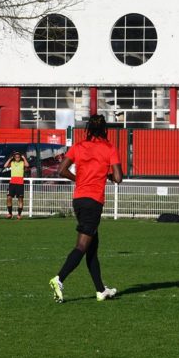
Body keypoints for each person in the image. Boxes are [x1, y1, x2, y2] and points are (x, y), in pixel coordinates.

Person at [49, 115, 122, 303]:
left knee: (92, 247)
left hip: (79, 200)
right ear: (105, 129)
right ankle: (59, 279)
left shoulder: (78, 146)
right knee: (82, 246)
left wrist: (79, 179)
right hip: (93, 201)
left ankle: (100, 290)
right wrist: (107, 175)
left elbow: (61, 170)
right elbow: (118, 177)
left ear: (88, 128)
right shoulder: (109, 148)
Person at [3, 150, 29, 220]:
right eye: (16, 157)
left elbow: (27, 165)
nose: (17, 158)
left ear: (20, 157)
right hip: (12, 183)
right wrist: (10, 159)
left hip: (20, 183)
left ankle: (19, 214)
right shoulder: (12, 163)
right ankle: (10, 213)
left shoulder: (22, 163)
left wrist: (24, 158)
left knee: (20, 199)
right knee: (9, 198)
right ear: (14, 157)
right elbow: (5, 166)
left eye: (18, 156)